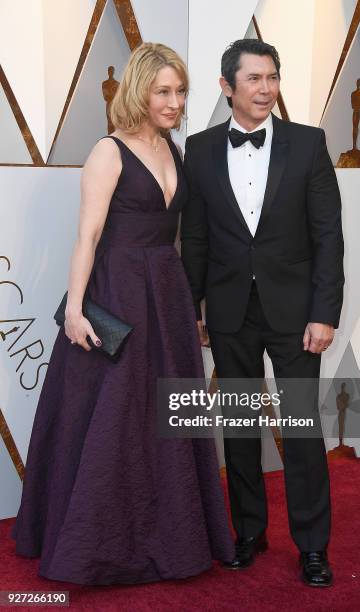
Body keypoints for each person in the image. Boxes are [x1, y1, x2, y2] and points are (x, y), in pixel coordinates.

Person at [11, 42, 234, 585]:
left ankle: (170, 534)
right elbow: (86, 236)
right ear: (139, 90)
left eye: (180, 91)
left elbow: (177, 236)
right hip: (116, 293)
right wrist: (75, 309)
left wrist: (192, 305)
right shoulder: (108, 152)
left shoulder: (173, 151)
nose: (175, 101)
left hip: (167, 291)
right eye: (164, 91)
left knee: (166, 416)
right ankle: (98, 544)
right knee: (112, 419)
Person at [181, 39, 344, 587]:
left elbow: (328, 236)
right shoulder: (200, 149)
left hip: (296, 313)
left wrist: (324, 312)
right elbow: (196, 239)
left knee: (301, 429)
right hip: (228, 310)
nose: (266, 88)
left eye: (272, 77)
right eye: (253, 79)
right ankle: (249, 531)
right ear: (227, 86)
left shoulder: (308, 144)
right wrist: (194, 306)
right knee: (240, 426)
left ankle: (313, 547)